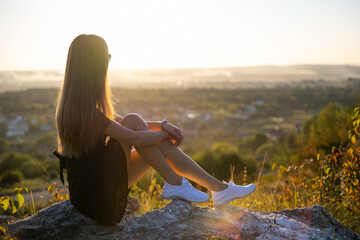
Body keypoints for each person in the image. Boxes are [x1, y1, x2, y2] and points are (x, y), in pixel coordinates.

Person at [54, 34, 256, 225]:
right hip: (97, 200)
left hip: (95, 193)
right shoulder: (87, 113)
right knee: (136, 123)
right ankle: (177, 184)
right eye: (106, 57)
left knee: (140, 128)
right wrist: (164, 134)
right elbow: (135, 136)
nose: (109, 62)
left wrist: (162, 126)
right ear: (94, 66)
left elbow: (121, 122)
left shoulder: (77, 108)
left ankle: (218, 189)